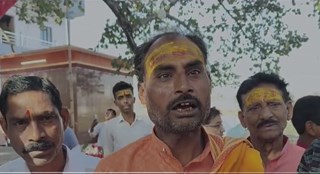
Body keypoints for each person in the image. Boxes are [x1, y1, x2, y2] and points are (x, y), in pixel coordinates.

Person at [95, 31, 264, 172]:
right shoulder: (113, 169)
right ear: (142, 92)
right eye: (164, 76)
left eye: (194, 72)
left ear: (210, 82)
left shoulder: (242, 160)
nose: (183, 86)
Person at [0, 75, 99, 173]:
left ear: (64, 119)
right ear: (5, 128)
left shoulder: (101, 170)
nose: (36, 136)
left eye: (46, 119)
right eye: (20, 123)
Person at [236, 72, 305, 172]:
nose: (265, 115)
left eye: (273, 104)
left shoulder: (308, 161)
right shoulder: (228, 161)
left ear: (288, 110)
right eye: (254, 108)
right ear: (242, 118)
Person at [99, 81, 152, 155]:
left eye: (128, 96)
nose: (125, 101)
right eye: (120, 98)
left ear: (134, 99)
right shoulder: (109, 127)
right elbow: (107, 156)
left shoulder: (148, 123)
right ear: (116, 103)